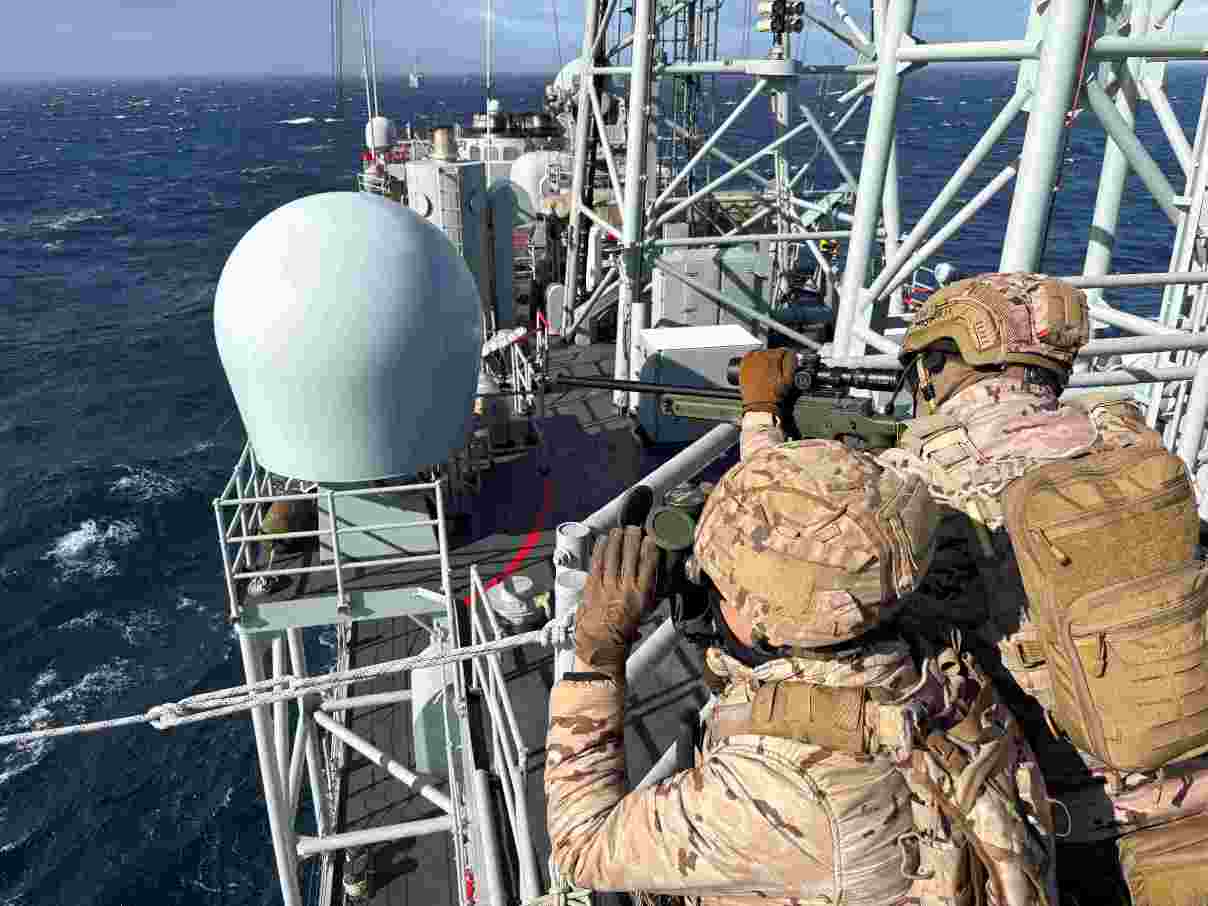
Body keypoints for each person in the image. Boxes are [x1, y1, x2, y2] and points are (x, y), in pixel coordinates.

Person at [545, 401, 1058, 903]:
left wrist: (598, 655)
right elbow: (816, 539)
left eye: (723, 582)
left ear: (770, 624)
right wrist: (761, 422)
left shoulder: (780, 787)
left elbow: (582, 846)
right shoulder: (914, 635)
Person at [887, 272, 1208, 906]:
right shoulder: (1125, 441)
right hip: (1187, 790)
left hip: (1059, 822)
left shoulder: (919, 474)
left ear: (942, 359)